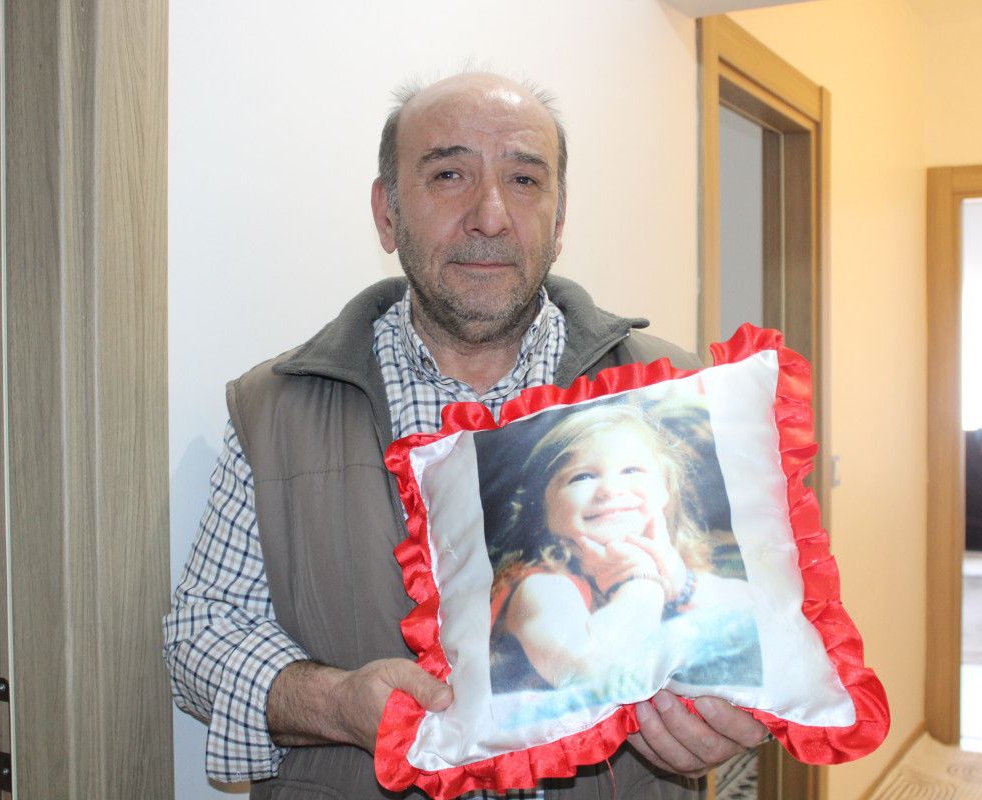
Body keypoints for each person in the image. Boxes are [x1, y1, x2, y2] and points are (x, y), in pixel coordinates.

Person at [163, 71, 768, 799]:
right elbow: (201, 634)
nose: (490, 215)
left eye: (524, 180)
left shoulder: (675, 394)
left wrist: (730, 717)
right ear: (387, 213)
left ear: (560, 218)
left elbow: (766, 628)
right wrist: (335, 704)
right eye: (450, 175)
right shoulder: (276, 411)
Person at [488, 403, 758, 696]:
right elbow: (592, 676)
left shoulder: (668, 566)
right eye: (582, 476)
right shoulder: (541, 587)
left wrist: (681, 585)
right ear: (540, 510)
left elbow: (759, 616)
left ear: (665, 492)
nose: (610, 490)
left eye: (631, 470)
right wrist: (640, 580)